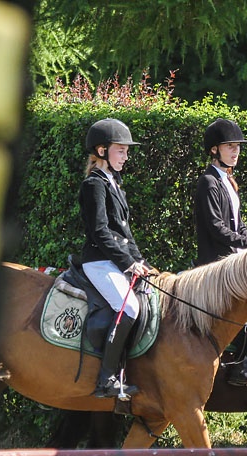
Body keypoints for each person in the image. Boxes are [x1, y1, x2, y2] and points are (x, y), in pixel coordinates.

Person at [79, 118, 152, 404]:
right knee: (130, 308)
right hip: (98, 262)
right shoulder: (93, 185)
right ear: (102, 150)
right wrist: (126, 263)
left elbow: (124, 232)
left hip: (114, 261)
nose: (125, 156)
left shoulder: (114, 183)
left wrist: (139, 260)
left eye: (125, 151)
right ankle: (106, 378)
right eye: (120, 150)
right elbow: (100, 232)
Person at [193, 118, 247, 388]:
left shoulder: (229, 183)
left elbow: (240, 226)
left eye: (237, 146)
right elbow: (216, 228)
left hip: (235, 260)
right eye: (229, 146)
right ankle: (244, 362)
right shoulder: (209, 183)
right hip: (218, 262)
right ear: (214, 150)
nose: (235, 151)